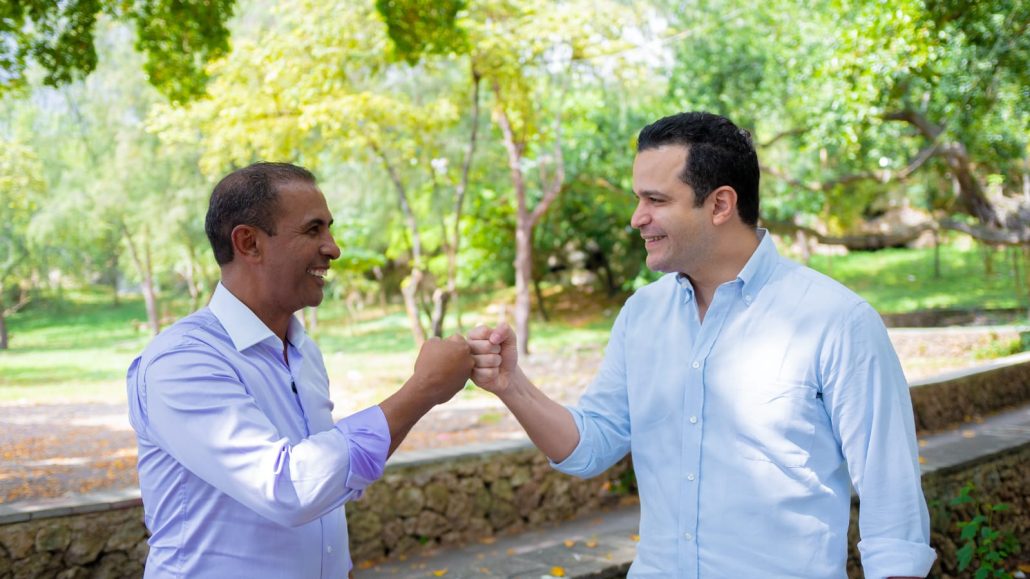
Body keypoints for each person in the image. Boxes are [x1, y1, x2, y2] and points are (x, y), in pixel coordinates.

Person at [469, 112, 936, 578]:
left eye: (655, 200)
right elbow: (590, 446)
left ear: (720, 205)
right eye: (638, 199)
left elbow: (892, 508)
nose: (637, 218)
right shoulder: (641, 316)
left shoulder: (837, 322)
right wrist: (512, 386)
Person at [126, 162, 473, 578]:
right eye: (313, 230)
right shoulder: (182, 362)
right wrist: (424, 389)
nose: (333, 248)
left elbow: (326, 481)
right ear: (249, 243)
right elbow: (288, 489)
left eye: (329, 228)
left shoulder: (302, 351)